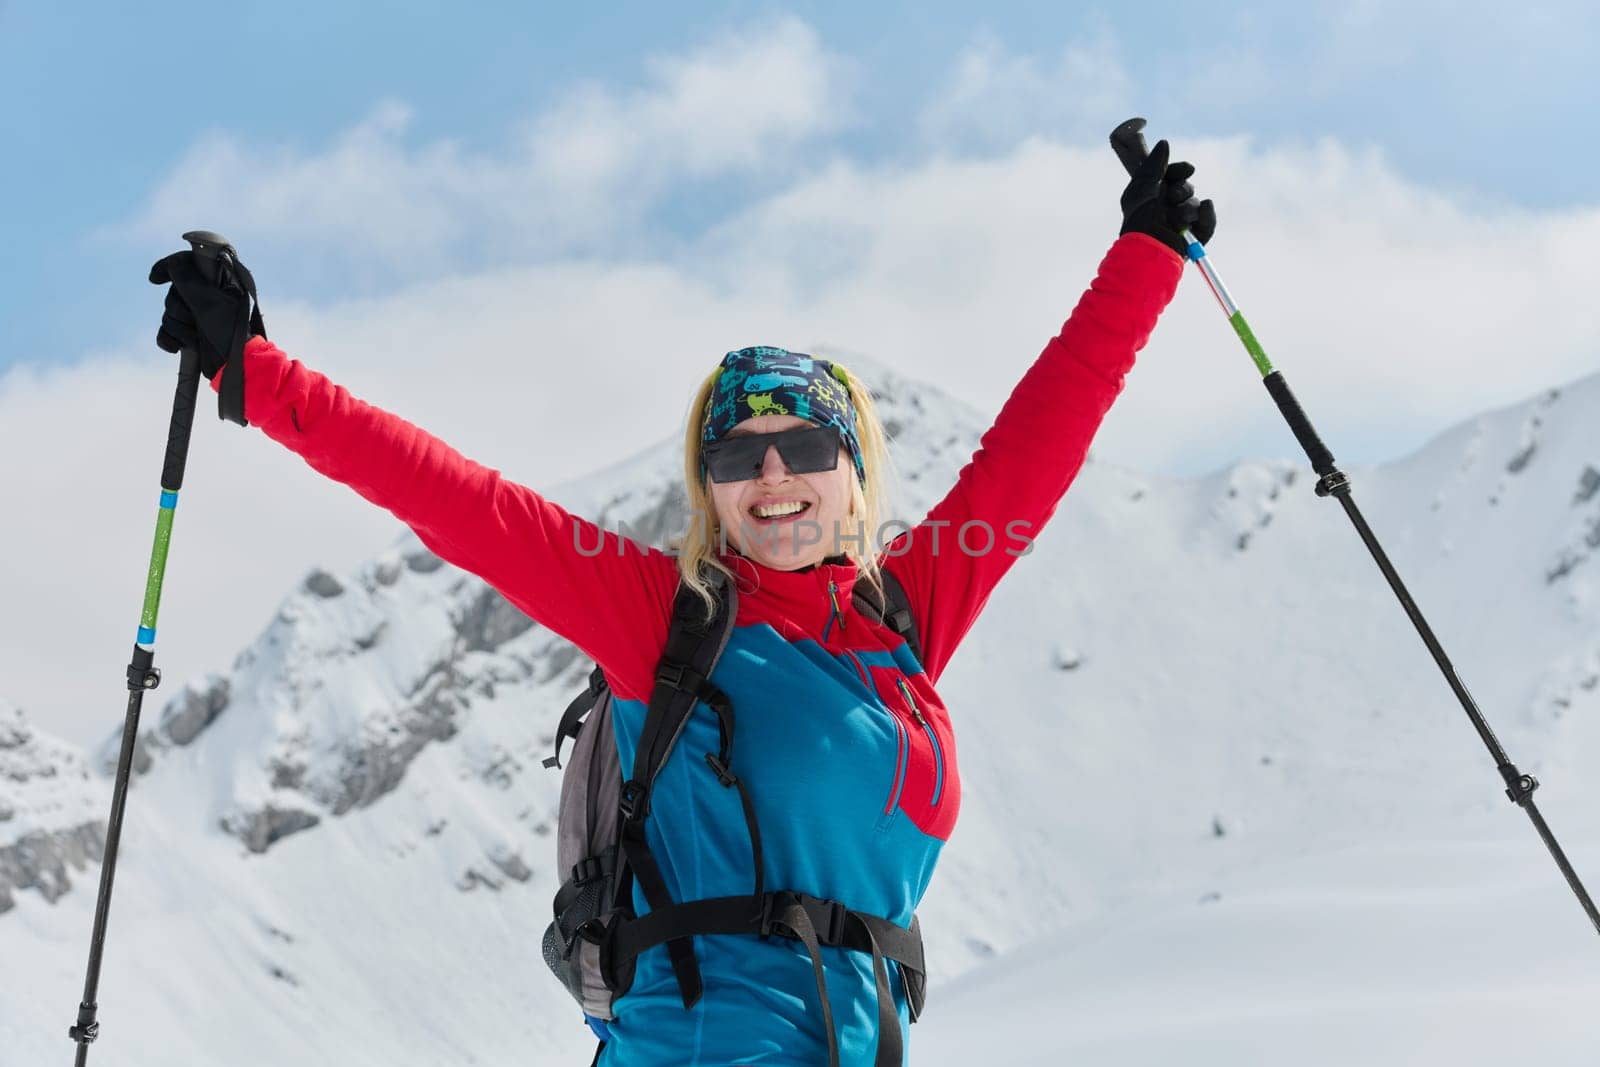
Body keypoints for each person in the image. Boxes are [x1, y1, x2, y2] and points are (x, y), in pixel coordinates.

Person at [149, 140, 1213, 1066]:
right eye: (735, 454)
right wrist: (255, 373)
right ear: (706, 485)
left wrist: (1144, 260)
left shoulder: (903, 615)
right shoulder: (663, 612)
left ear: (853, 470)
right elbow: (460, 500)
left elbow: (1033, 450)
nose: (771, 474)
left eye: (802, 445)